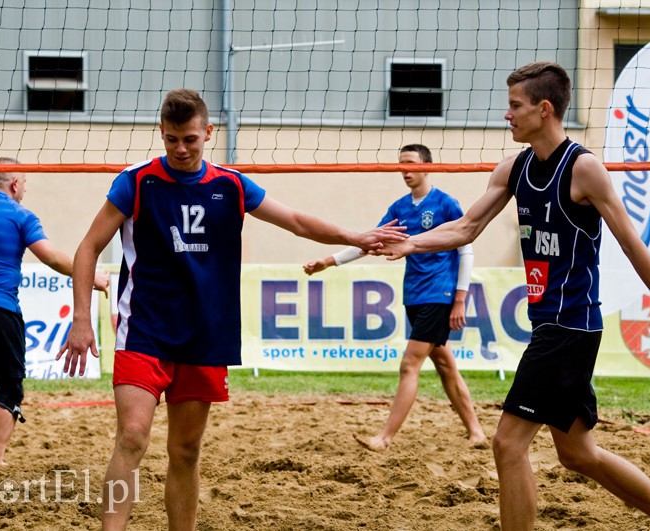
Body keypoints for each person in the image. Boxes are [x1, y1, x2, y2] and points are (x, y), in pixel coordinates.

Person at [372, 62, 650, 530]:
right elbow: (467, 227)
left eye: (515, 106)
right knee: (577, 454)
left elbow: (632, 244)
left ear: (543, 108)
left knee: (507, 444)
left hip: (569, 328)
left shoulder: (584, 168)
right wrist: (412, 242)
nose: (507, 115)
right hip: (551, 325)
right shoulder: (514, 169)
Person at [56, 88, 407, 531]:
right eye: (170, 140)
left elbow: (297, 221)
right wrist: (82, 320)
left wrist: (355, 237)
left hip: (206, 335)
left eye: (189, 139)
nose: (180, 149)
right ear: (160, 135)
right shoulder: (136, 181)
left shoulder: (231, 184)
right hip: (144, 330)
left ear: (208, 133)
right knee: (132, 437)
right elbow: (87, 248)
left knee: (185, 451)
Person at [303, 144, 488, 452]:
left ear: (428, 167)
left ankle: (384, 437)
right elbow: (369, 241)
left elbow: (465, 248)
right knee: (445, 366)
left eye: (411, 164)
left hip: (439, 294)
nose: (405, 170)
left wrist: (459, 299)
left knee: (409, 364)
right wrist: (328, 261)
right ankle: (477, 432)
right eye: (401, 164)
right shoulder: (400, 208)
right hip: (414, 294)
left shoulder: (445, 204)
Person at [0, 157, 109, 465]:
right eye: (24, 187)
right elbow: (52, 258)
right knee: (8, 388)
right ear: (15, 184)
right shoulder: (21, 215)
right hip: (1, 309)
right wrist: (91, 276)